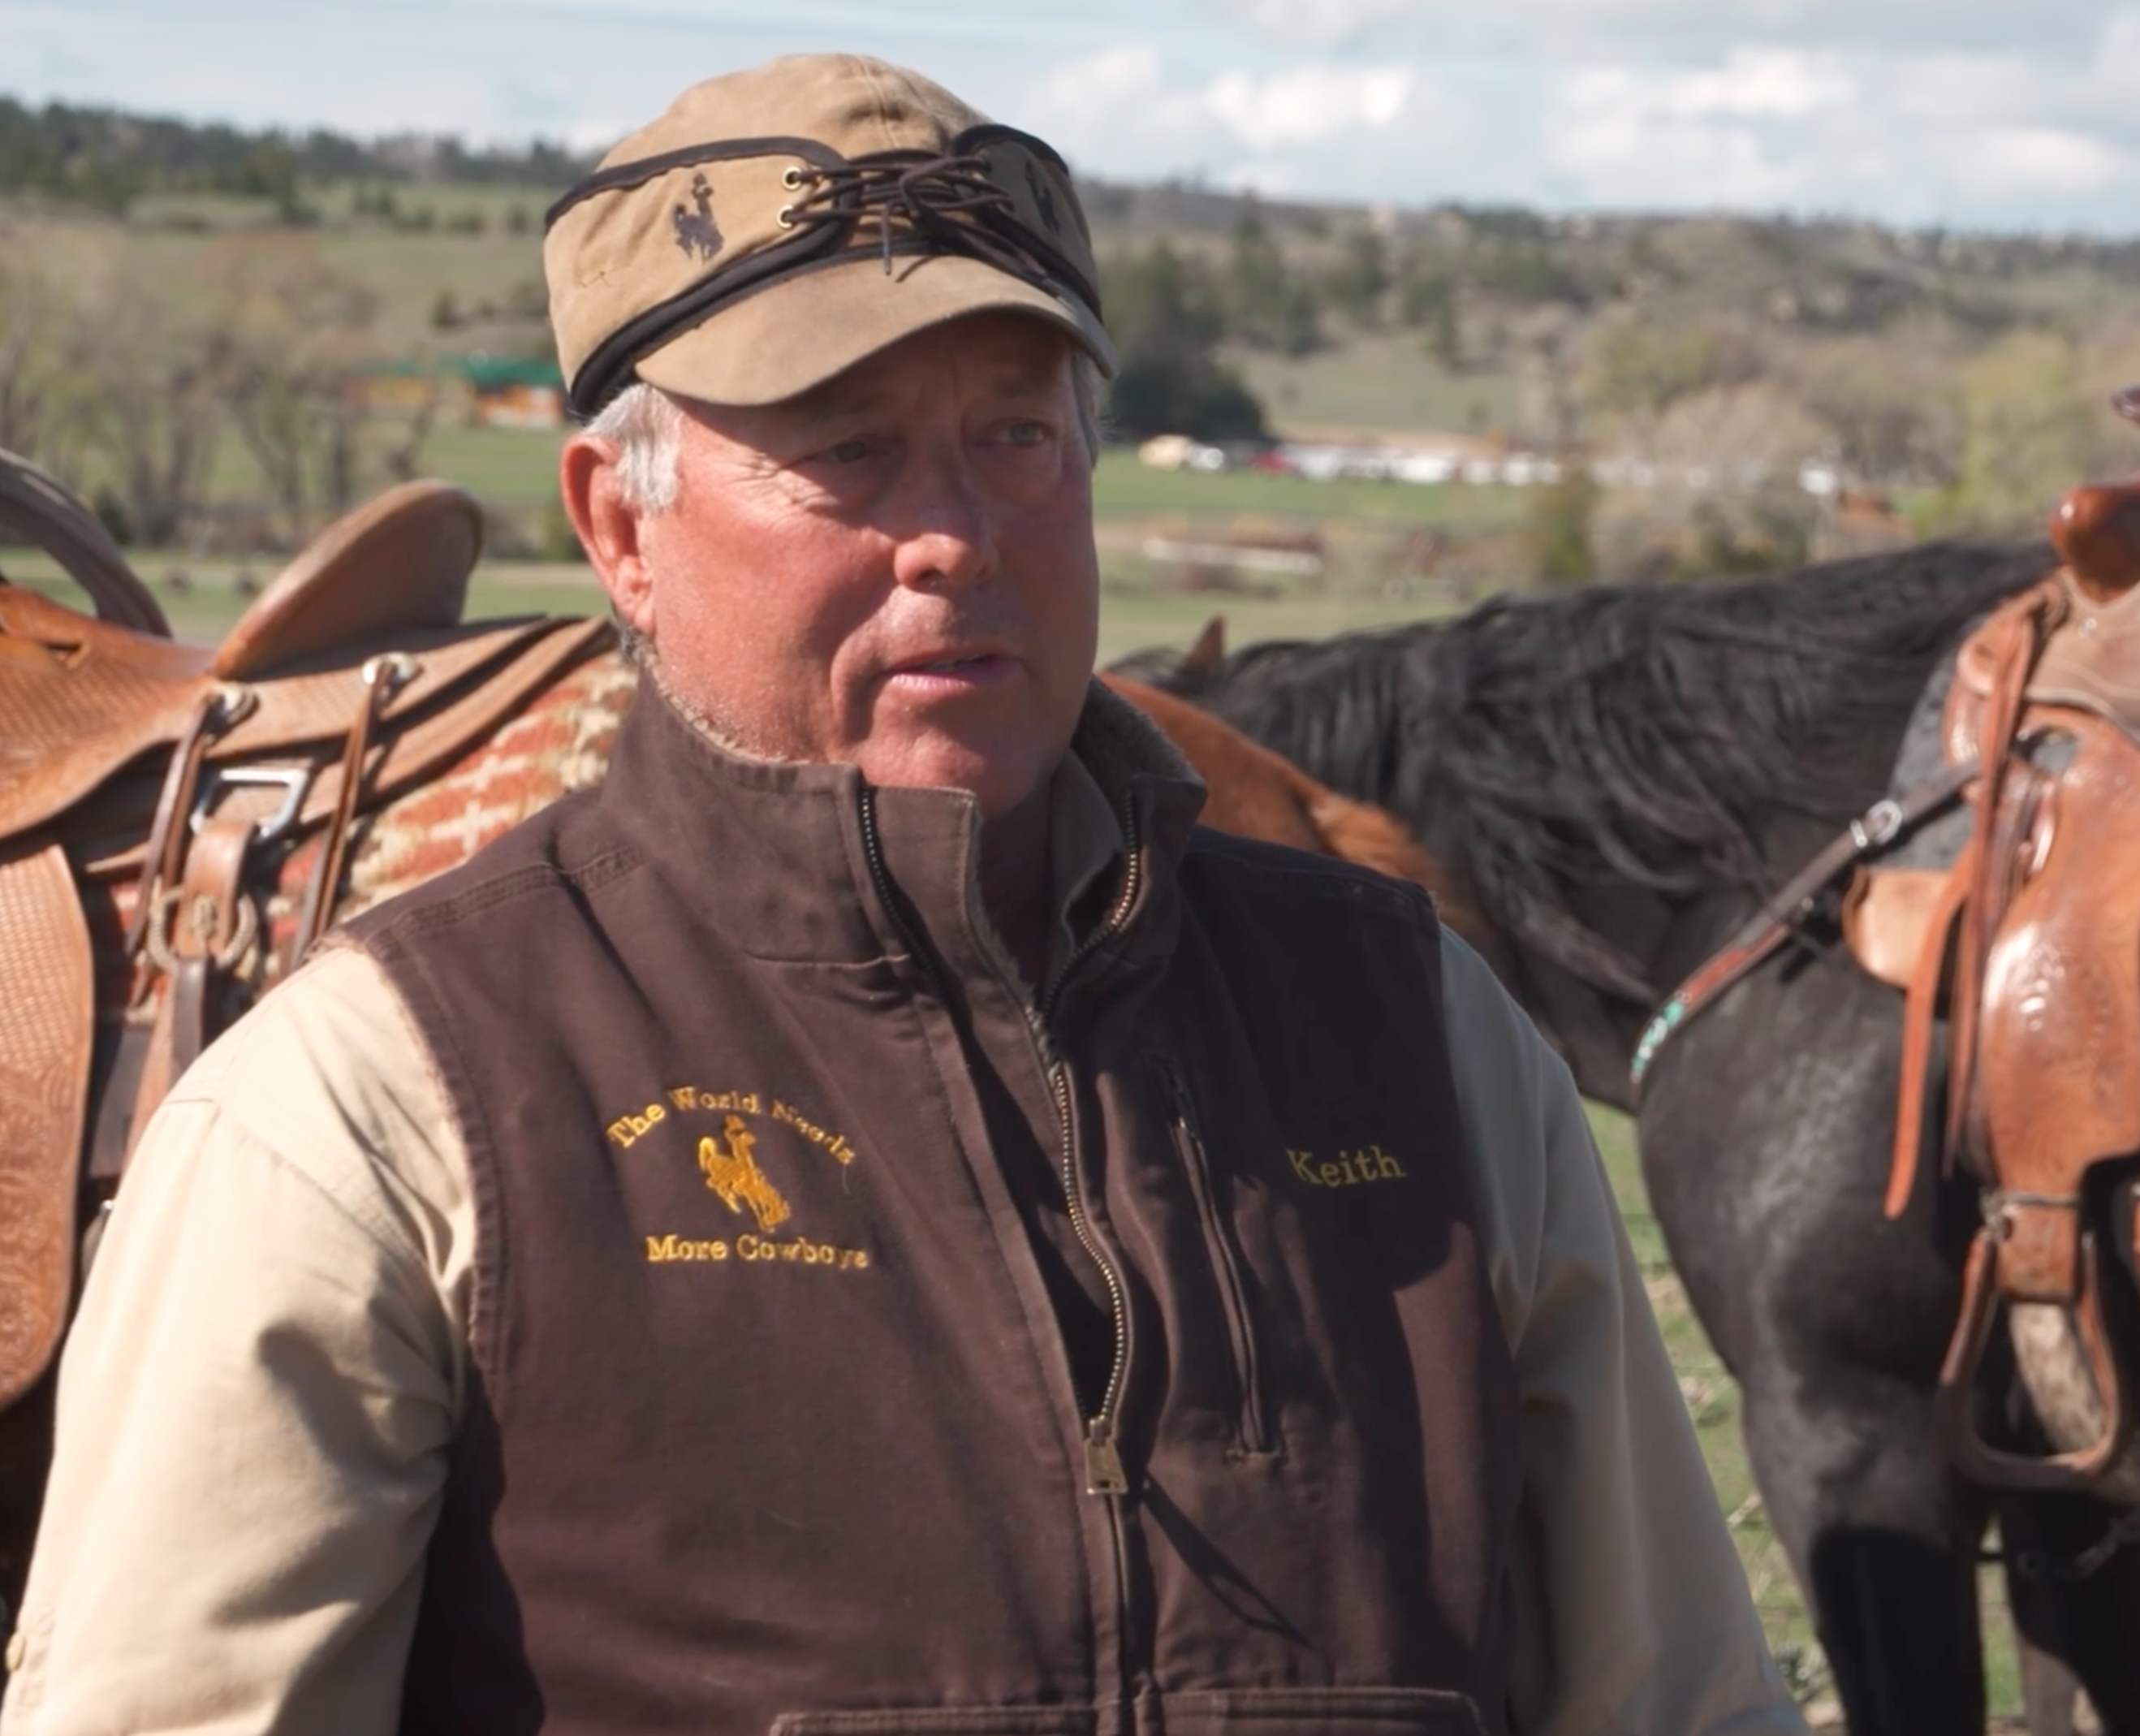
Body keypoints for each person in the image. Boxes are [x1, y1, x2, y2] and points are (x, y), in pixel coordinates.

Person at [0, 54, 1803, 1736]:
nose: (954, 531)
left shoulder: (1424, 1037)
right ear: (619, 525)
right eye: (845, 448)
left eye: (1016, 435)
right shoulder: (378, 1108)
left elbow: (1676, 1696)